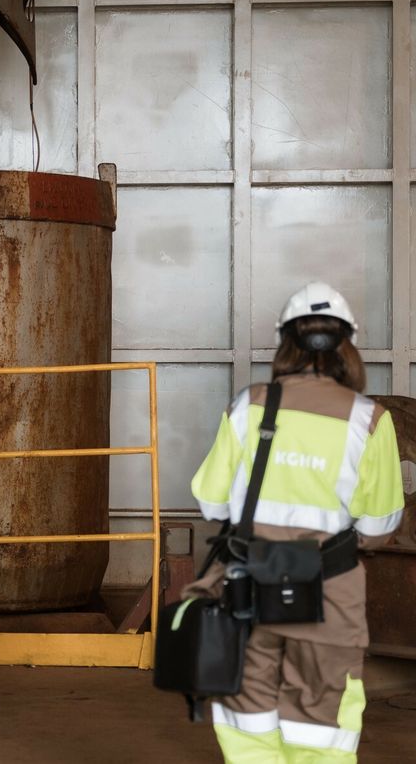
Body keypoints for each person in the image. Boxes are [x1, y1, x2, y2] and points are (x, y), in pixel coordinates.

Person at [186, 282, 403, 764]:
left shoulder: (249, 406)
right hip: (329, 592)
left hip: (247, 586)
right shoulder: (369, 420)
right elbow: (377, 525)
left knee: (248, 715)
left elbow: (210, 502)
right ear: (347, 345)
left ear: (285, 342)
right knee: (322, 724)